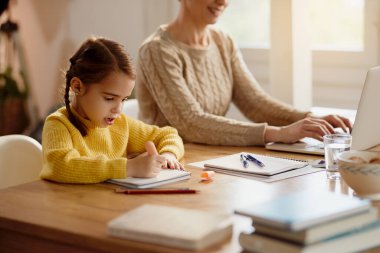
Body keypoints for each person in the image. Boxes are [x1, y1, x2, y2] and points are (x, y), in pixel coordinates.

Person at [136, 0, 352, 146]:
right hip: (166, 165)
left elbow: (254, 103)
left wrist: (309, 119)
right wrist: (277, 133)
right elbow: (190, 123)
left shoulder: (222, 42)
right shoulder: (157, 50)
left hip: (210, 159)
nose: (223, 1)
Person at [40, 37, 184, 184]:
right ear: (77, 87)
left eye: (123, 99)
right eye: (109, 98)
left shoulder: (121, 124)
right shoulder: (58, 124)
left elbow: (168, 135)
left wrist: (168, 155)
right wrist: (129, 167)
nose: (118, 109)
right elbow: (60, 166)